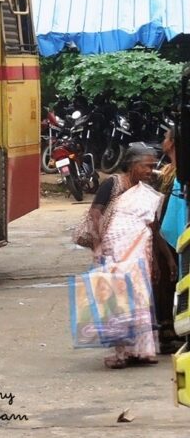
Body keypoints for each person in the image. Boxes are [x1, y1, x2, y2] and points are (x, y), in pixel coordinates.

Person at [86, 142, 160, 368]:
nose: (150, 171)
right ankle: (121, 353)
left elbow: (152, 225)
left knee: (139, 297)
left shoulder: (147, 193)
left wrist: (157, 258)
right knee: (117, 299)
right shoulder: (113, 183)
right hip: (115, 249)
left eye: (152, 167)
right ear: (132, 165)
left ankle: (142, 350)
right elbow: (95, 213)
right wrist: (98, 246)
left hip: (140, 249)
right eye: (146, 166)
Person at [156, 128, 182, 353]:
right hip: (166, 235)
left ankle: (170, 331)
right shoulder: (169, 171)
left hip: (170, 236)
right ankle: (167, 331)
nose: (163, 141)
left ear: (172, 144)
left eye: (166, 138)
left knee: (168, 281)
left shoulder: (176, 174)